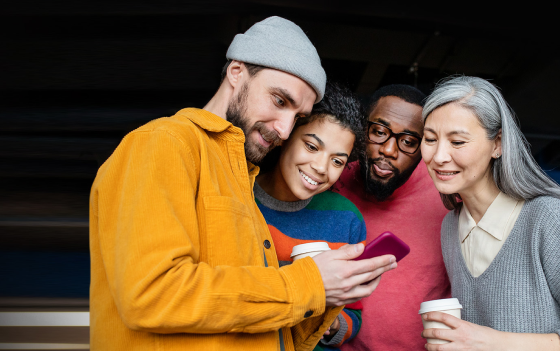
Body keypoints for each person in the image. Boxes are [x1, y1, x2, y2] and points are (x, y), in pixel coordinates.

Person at [89, 16, 397, 351]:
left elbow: (260, 324)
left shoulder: (241, 176)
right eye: (280, 101)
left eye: (297, 118)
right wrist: (309, 281)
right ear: (237, 72)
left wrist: (333, 290)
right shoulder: (162, 144)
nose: (283, 129)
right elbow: (151, 295)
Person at [419, 76, 560, 350]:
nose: (439, 155)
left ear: (498, 144)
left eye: (457, 142)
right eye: (430, 139)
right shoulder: (451, 227)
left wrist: (492, 342)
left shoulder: (555, 220)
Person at [335, 85, 451, 351]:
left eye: (408, 142)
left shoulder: (449, 195)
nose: (388, 150)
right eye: (379, 132)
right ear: (361, 129)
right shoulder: (330, 179)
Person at [255, 83, 367, 351]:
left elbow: (353, 313)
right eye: (312, 146)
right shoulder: (237, 198)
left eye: (337, 161)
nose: (320, 168)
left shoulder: (347, 219)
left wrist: (335, 324)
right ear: (287, 134)